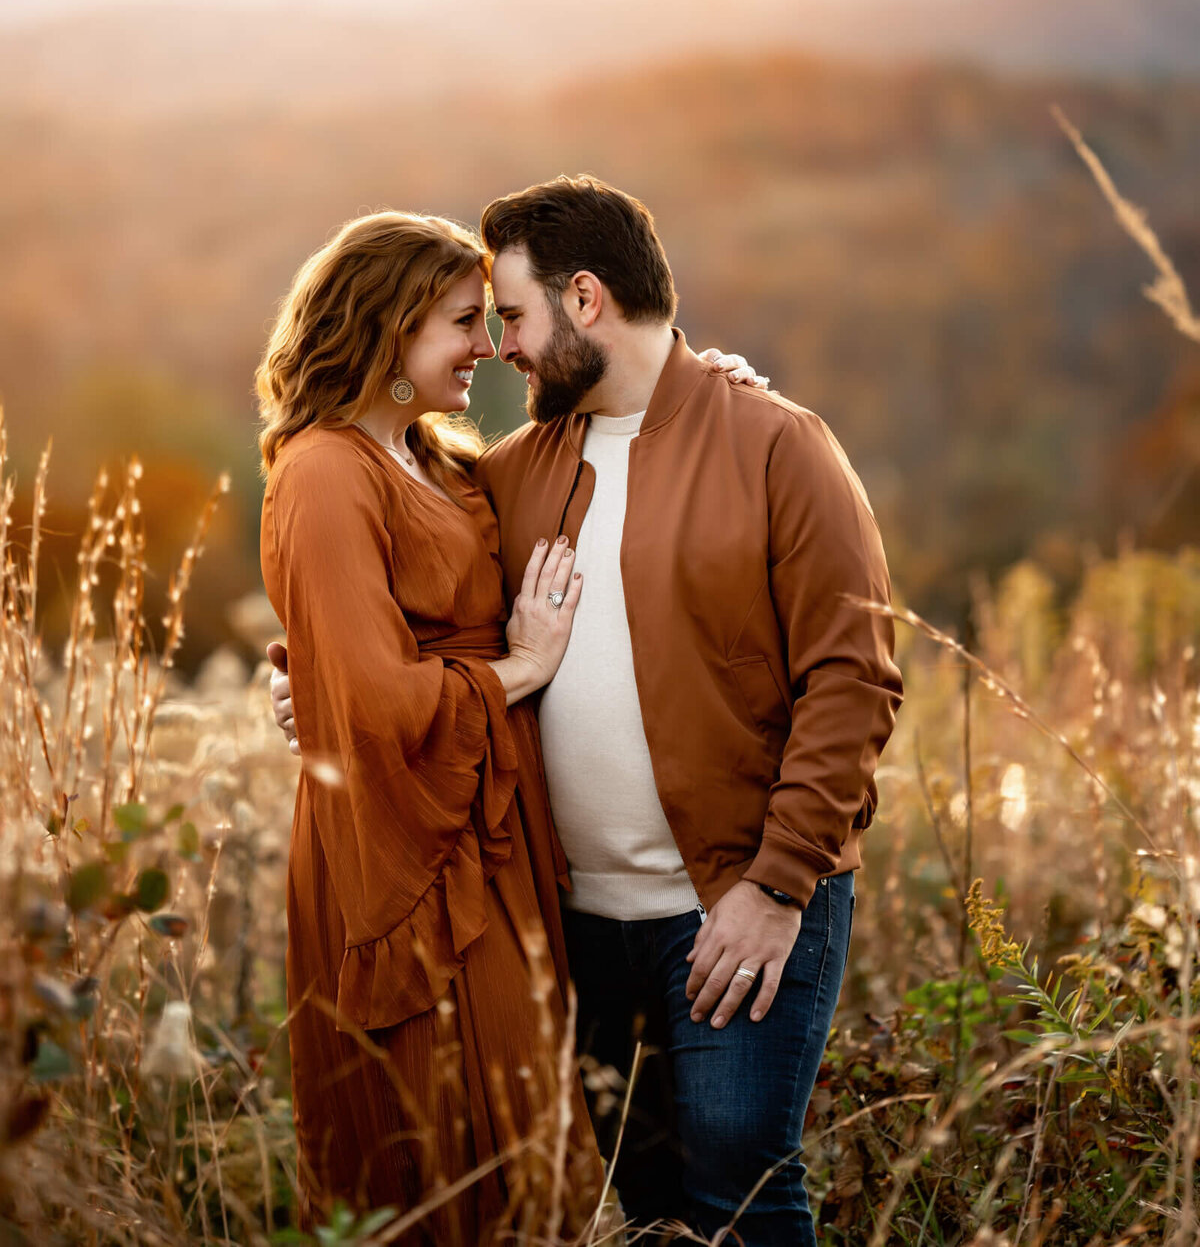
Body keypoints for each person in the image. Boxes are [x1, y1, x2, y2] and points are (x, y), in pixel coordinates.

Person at [274, 176, 902, 1245]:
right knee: (651, 1205)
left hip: (732, 903)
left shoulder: (778, 446)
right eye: (481, 324)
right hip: (573, 924)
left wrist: (777, 884)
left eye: (509, 317)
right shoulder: (512, 473)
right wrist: (310, 682)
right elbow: (402, 596)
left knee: (739, 1186)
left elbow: (854, 680)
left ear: (585, 302)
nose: (500, 348)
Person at [256, 210, 603, 1243]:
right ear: (391, 326)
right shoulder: (323, 473)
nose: (488, 348)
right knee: (447, 1118)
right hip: (402, 845)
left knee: (525, 1106)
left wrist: (710, 383)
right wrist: (520, 669)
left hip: (485, 815)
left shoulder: (442, 459)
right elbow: (371, 699)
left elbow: (603, 440)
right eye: (462, 321)